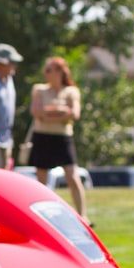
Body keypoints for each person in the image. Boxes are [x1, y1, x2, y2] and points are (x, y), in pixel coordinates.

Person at [29, 56, 89, 220]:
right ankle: (43, 216)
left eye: (49, 70)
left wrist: (49, 112)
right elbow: (36, 112)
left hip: (63, 138)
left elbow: (74, 113)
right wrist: (61, 112)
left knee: (72, 175)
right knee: (42, 178)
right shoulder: (39, 90)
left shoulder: (71, 91)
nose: (46, 73)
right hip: (42, 137)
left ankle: (83, 216)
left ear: (59, 72)